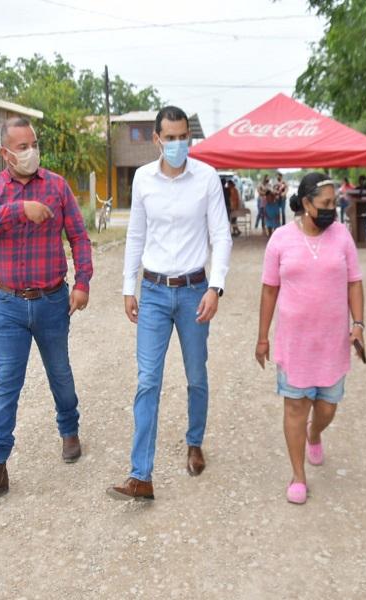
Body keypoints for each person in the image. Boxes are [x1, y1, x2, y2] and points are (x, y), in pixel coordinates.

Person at [0, 116, 93, 499]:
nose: (30, 151)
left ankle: (69, 429)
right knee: (6, 383)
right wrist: (22, 210)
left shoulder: (57, 186)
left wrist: (83, 281)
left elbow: (79, 237)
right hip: (8, 305)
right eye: (22, 147)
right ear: (5, 153)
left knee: (60, 374)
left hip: (52, 300)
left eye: (32, 144)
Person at [109, 106, 233, 501]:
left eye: (184, 137)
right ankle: (140, 475)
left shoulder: (207, 178)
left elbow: (222, 235)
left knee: (196, 374)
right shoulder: (144, 180)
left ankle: (194, 441)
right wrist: (129, 288)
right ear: (157, 139)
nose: (179, 144)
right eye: (171, 137)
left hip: (196, 290)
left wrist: (216, 287)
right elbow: (136, 235)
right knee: (148, 381)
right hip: (156, 293)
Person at [255, 172, 364, 504]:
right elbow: (269, 290)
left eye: (335, 202)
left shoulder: (342, 236)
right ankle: (298, 476)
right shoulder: (281, 240)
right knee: (295, 408)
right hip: (295, 343)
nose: (333, 209)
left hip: (332, 343)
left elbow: (355, 282)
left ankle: (315, 434)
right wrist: (262, 337)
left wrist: (358, 323)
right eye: (326, 203)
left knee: (327, 409)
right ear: (305, 204)